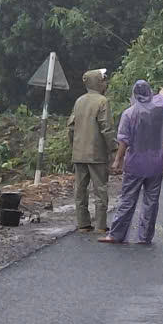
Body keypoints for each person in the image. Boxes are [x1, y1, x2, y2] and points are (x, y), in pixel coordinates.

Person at [101, 80, 163, 245]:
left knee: (128, 199)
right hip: (156, 162)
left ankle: (116, 234)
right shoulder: (159, 108)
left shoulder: (129, 114)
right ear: (149, 92)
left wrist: (117, 160)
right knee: (151, 201)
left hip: (136, 163)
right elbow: (162, 98)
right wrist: (162, 92)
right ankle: (145, 237)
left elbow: (124, 141)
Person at [68, 69, 114, 233]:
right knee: (100, 189)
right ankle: (101, 225)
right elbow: (106, 128)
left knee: (80, 190)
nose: (105, 83)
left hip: (79, 153)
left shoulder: (79, 101)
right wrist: (113, 149)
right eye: (103, 80)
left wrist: (73, 146)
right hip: (96, 154)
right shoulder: (102, 101)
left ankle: (83, 224)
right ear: (98, 82)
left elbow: (71, 128)